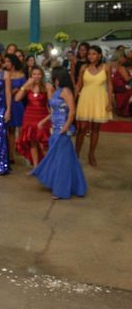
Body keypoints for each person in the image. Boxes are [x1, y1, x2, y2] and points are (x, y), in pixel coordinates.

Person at [32, 67, 87, 199]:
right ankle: (73, 185)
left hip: (63, 129)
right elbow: (53, 112)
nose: (53, 79)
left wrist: (65, 127)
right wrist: (43, 121)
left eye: (54, 77)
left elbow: (72, 112)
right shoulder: (57, 91)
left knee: (62, 159)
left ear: (59, 77)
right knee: (63, 158)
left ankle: (61, 189)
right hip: (55, 128)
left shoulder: (66, 91)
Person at [75, 45, 113, 166]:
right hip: (85, 99)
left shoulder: (106, 67)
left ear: (100, 55)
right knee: (81, 129)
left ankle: (91, 154)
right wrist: (72, 101)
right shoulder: (83, 67)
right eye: (89, 54)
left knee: (96, 129)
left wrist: (110, 102)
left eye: (94, 54)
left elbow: (110, 86)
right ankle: (76, 154)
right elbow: (78, 85)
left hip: (100, 99)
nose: (91, 56)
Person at [14, 66, 50, 166]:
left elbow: (52, 104)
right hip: (29, 116)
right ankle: (35, 166)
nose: (36, 76)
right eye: (34, 74)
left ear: (42, 75)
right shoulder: (28, 87)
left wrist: (50, 118)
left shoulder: (47, 87)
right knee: (32, 142)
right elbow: (17, 99)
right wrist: (25, 85)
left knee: (43, 143)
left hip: (42, 116)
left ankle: (47, 166)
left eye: (39, 74)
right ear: (31, 75)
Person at [4, 54, 26, 164]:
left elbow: (25, 90)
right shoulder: (3, 74)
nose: (6, 63)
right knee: (4, 130)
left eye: (8, 61)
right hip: (4, 103)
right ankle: (4, 152)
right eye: (5, 61)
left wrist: (19, 90)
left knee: (13, 130)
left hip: (17, 104)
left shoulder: (21, 75)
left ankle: (11, 154)